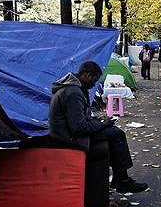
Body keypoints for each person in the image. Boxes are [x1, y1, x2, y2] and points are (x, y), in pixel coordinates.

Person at [49, 61, 148, 193]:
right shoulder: (73, 92)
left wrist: (97, 120)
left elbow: (78, 119)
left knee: (113, 133)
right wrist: (102, 123)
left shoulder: (72, 88)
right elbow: (79, 128)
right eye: (94, 80)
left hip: (66, 133)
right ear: (87, 75)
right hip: (68, 138)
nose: (94, 84)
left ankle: (121, 179)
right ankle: (122, 180)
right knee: (116, 134)